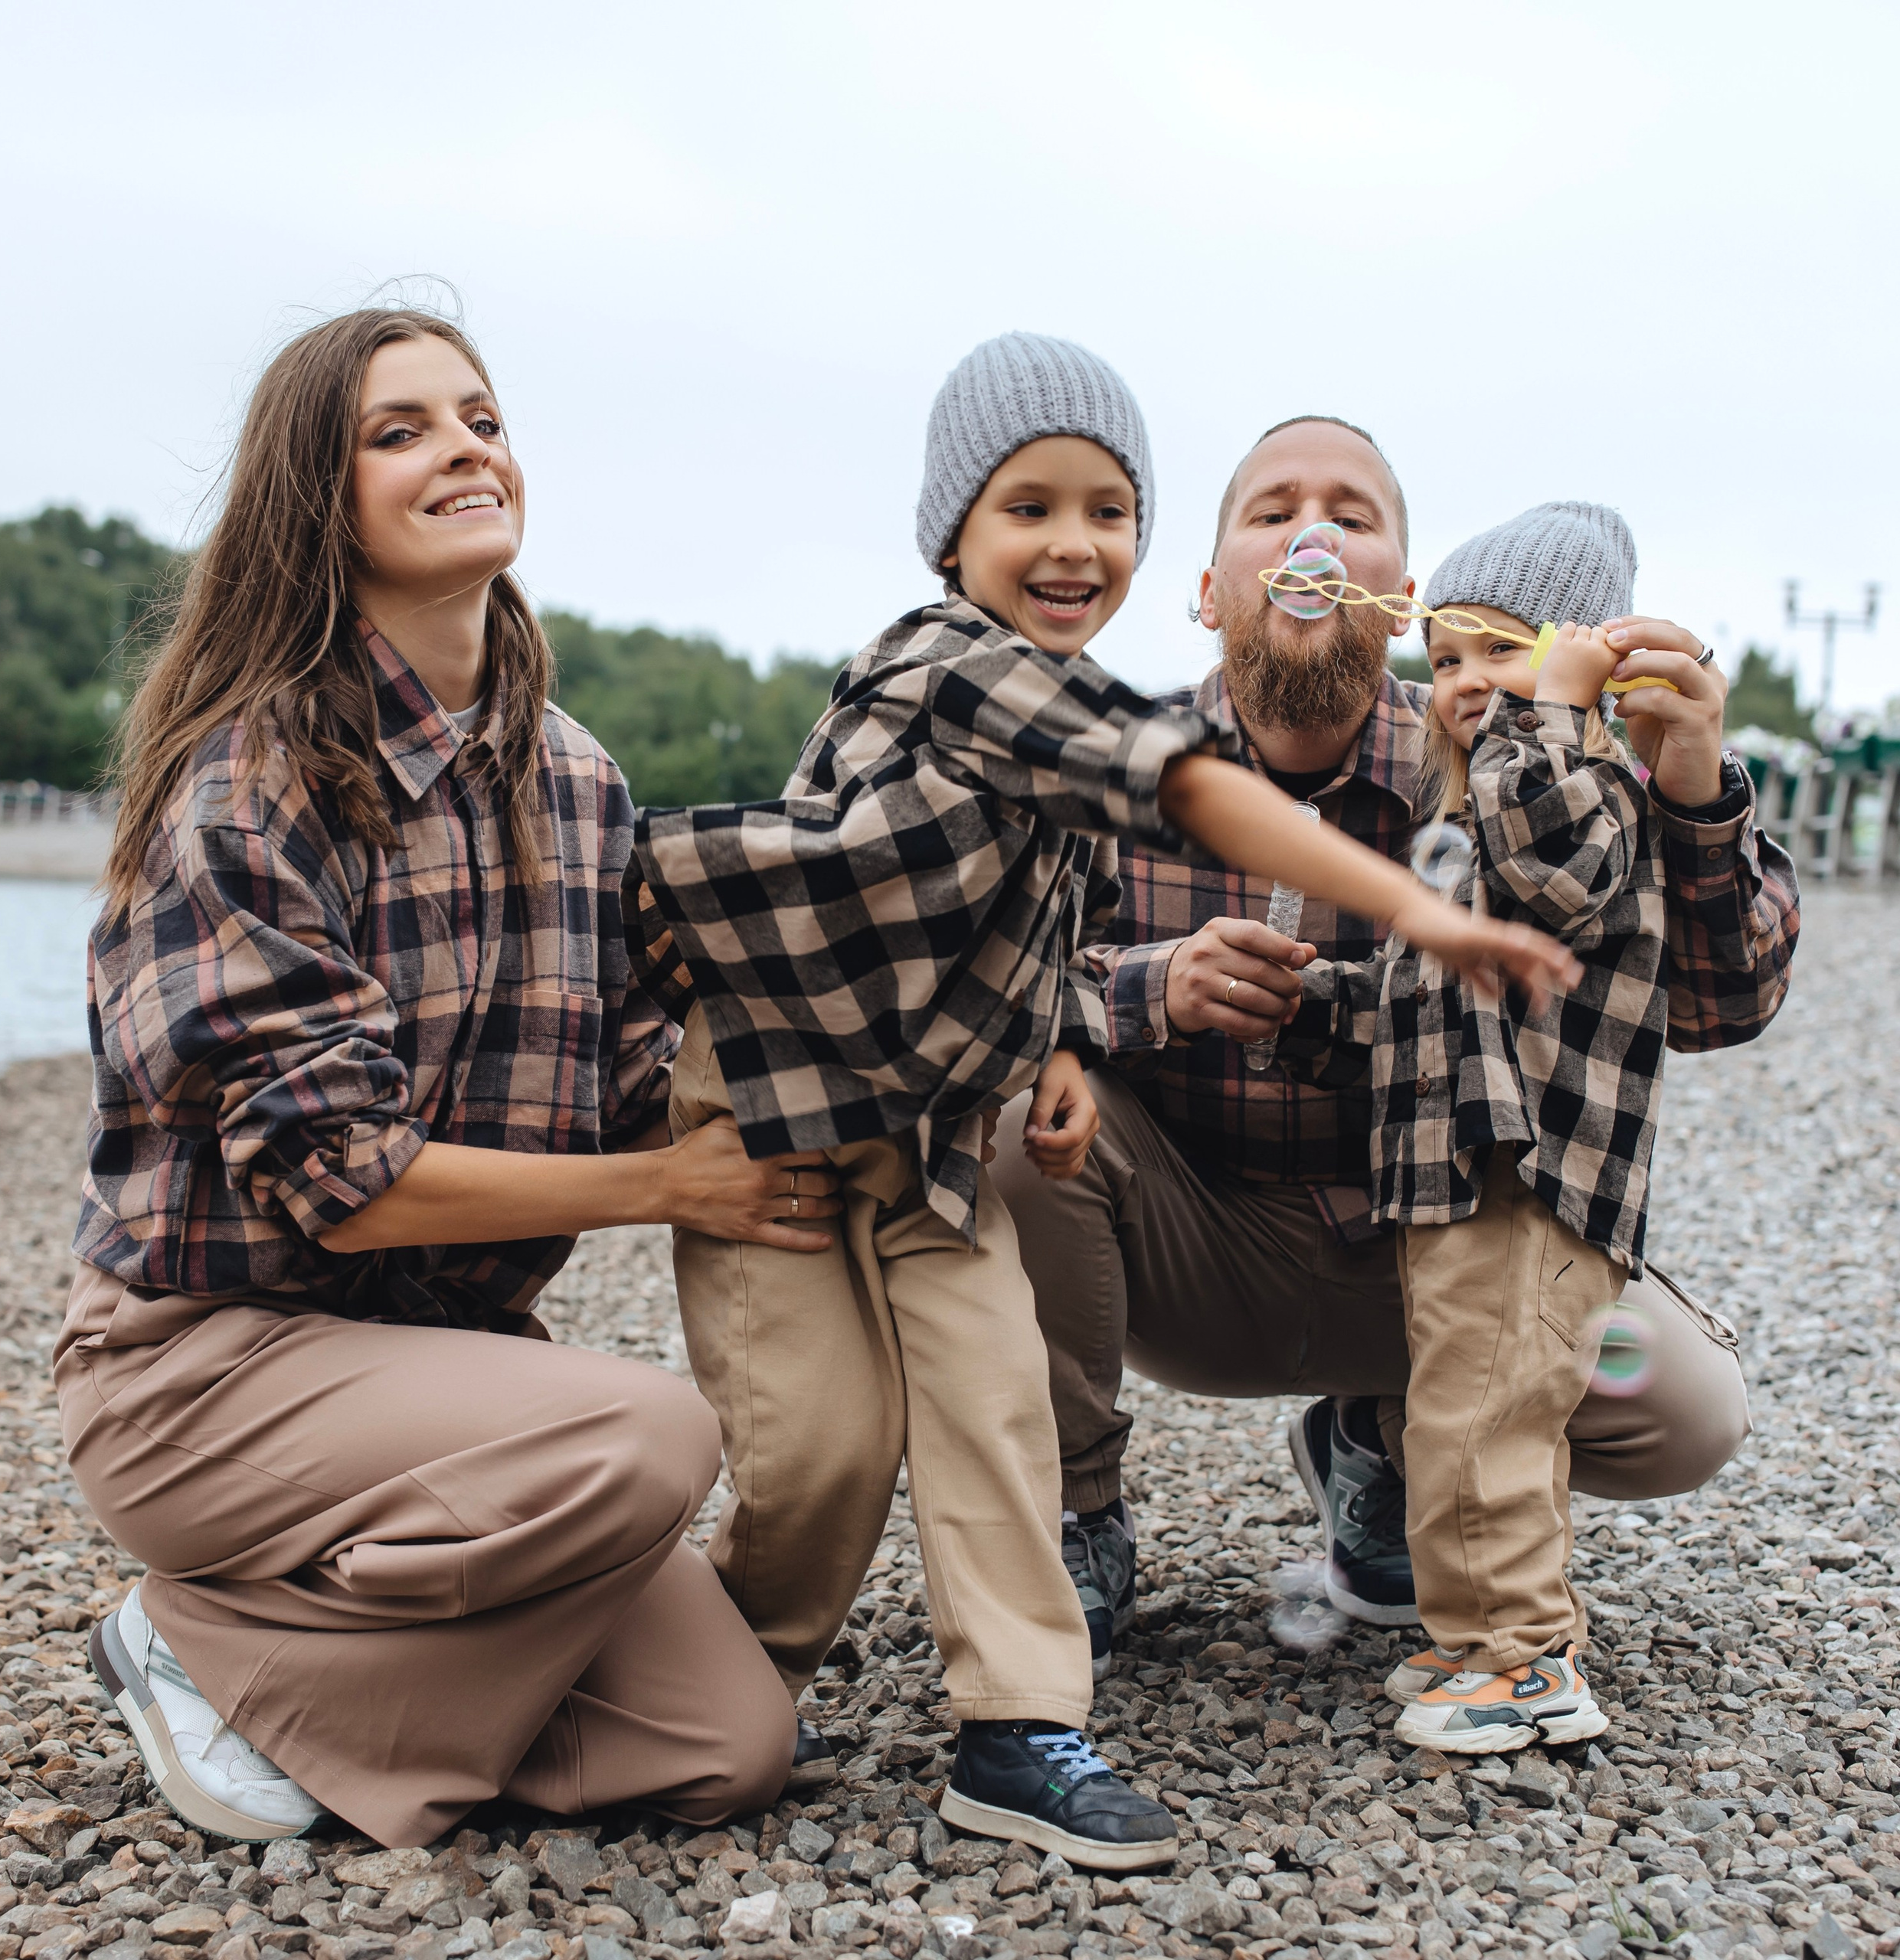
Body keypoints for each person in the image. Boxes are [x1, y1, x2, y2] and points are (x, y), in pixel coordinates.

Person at [625, 335, 1577, 1869]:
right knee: (820, 1448)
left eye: (1104, 511)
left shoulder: (1149, 718)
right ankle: (712, 1660)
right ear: (953, 539)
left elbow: (1031, 939)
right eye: (1027, 509)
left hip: (936, 1124)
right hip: (774, 1103)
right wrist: (1434, 922)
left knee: (993, 1391)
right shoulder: (947, 659)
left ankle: (1016, 1724)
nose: (1070, 544)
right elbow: (1184, 787)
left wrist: (1066, 1038)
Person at [61, 306, 842, 1847]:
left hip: (445, 1386)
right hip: (204, 1369)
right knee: (649, 1434)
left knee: (725, 1740)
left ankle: (274, 1662)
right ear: (318, 501)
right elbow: (342, 1186)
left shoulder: (576, 774)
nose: (465, 448)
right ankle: (190, 1629)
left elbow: (636, 1059)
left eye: (480, 416)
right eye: (402, 430)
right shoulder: (245, 779)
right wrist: (668, 1188)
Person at [993, 416, 1797, 1675]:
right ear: (1210, 594)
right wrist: (1152, 987)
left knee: (1684, 1413)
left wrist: (1694, 793)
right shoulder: (1106, 767)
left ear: (1401, 601)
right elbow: (977, 990)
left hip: (1437, 1256)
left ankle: (1387, 1447)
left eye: (1353, 518)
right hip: (1185, 1252)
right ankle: (1077, 1514)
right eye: (1272, 512)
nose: (1313, 536)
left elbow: (1717, 1008)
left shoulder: (1508, 752)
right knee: (1008, 1118)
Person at [1280, 502, 1676, 1750]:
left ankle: (1524, 1660)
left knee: (1490, 1416)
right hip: (1457, 1176)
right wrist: (1298, 1006)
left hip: (1537, 1174)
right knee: (1460, 1409)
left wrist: (1556, 705)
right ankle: (1485, 1641)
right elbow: (1416, 1002)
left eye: (1499, 654)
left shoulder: (1585, 788)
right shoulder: (1475, 831)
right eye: (1445, 661)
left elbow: (1561, 864)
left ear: (1580, 667)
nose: (1463, 687)